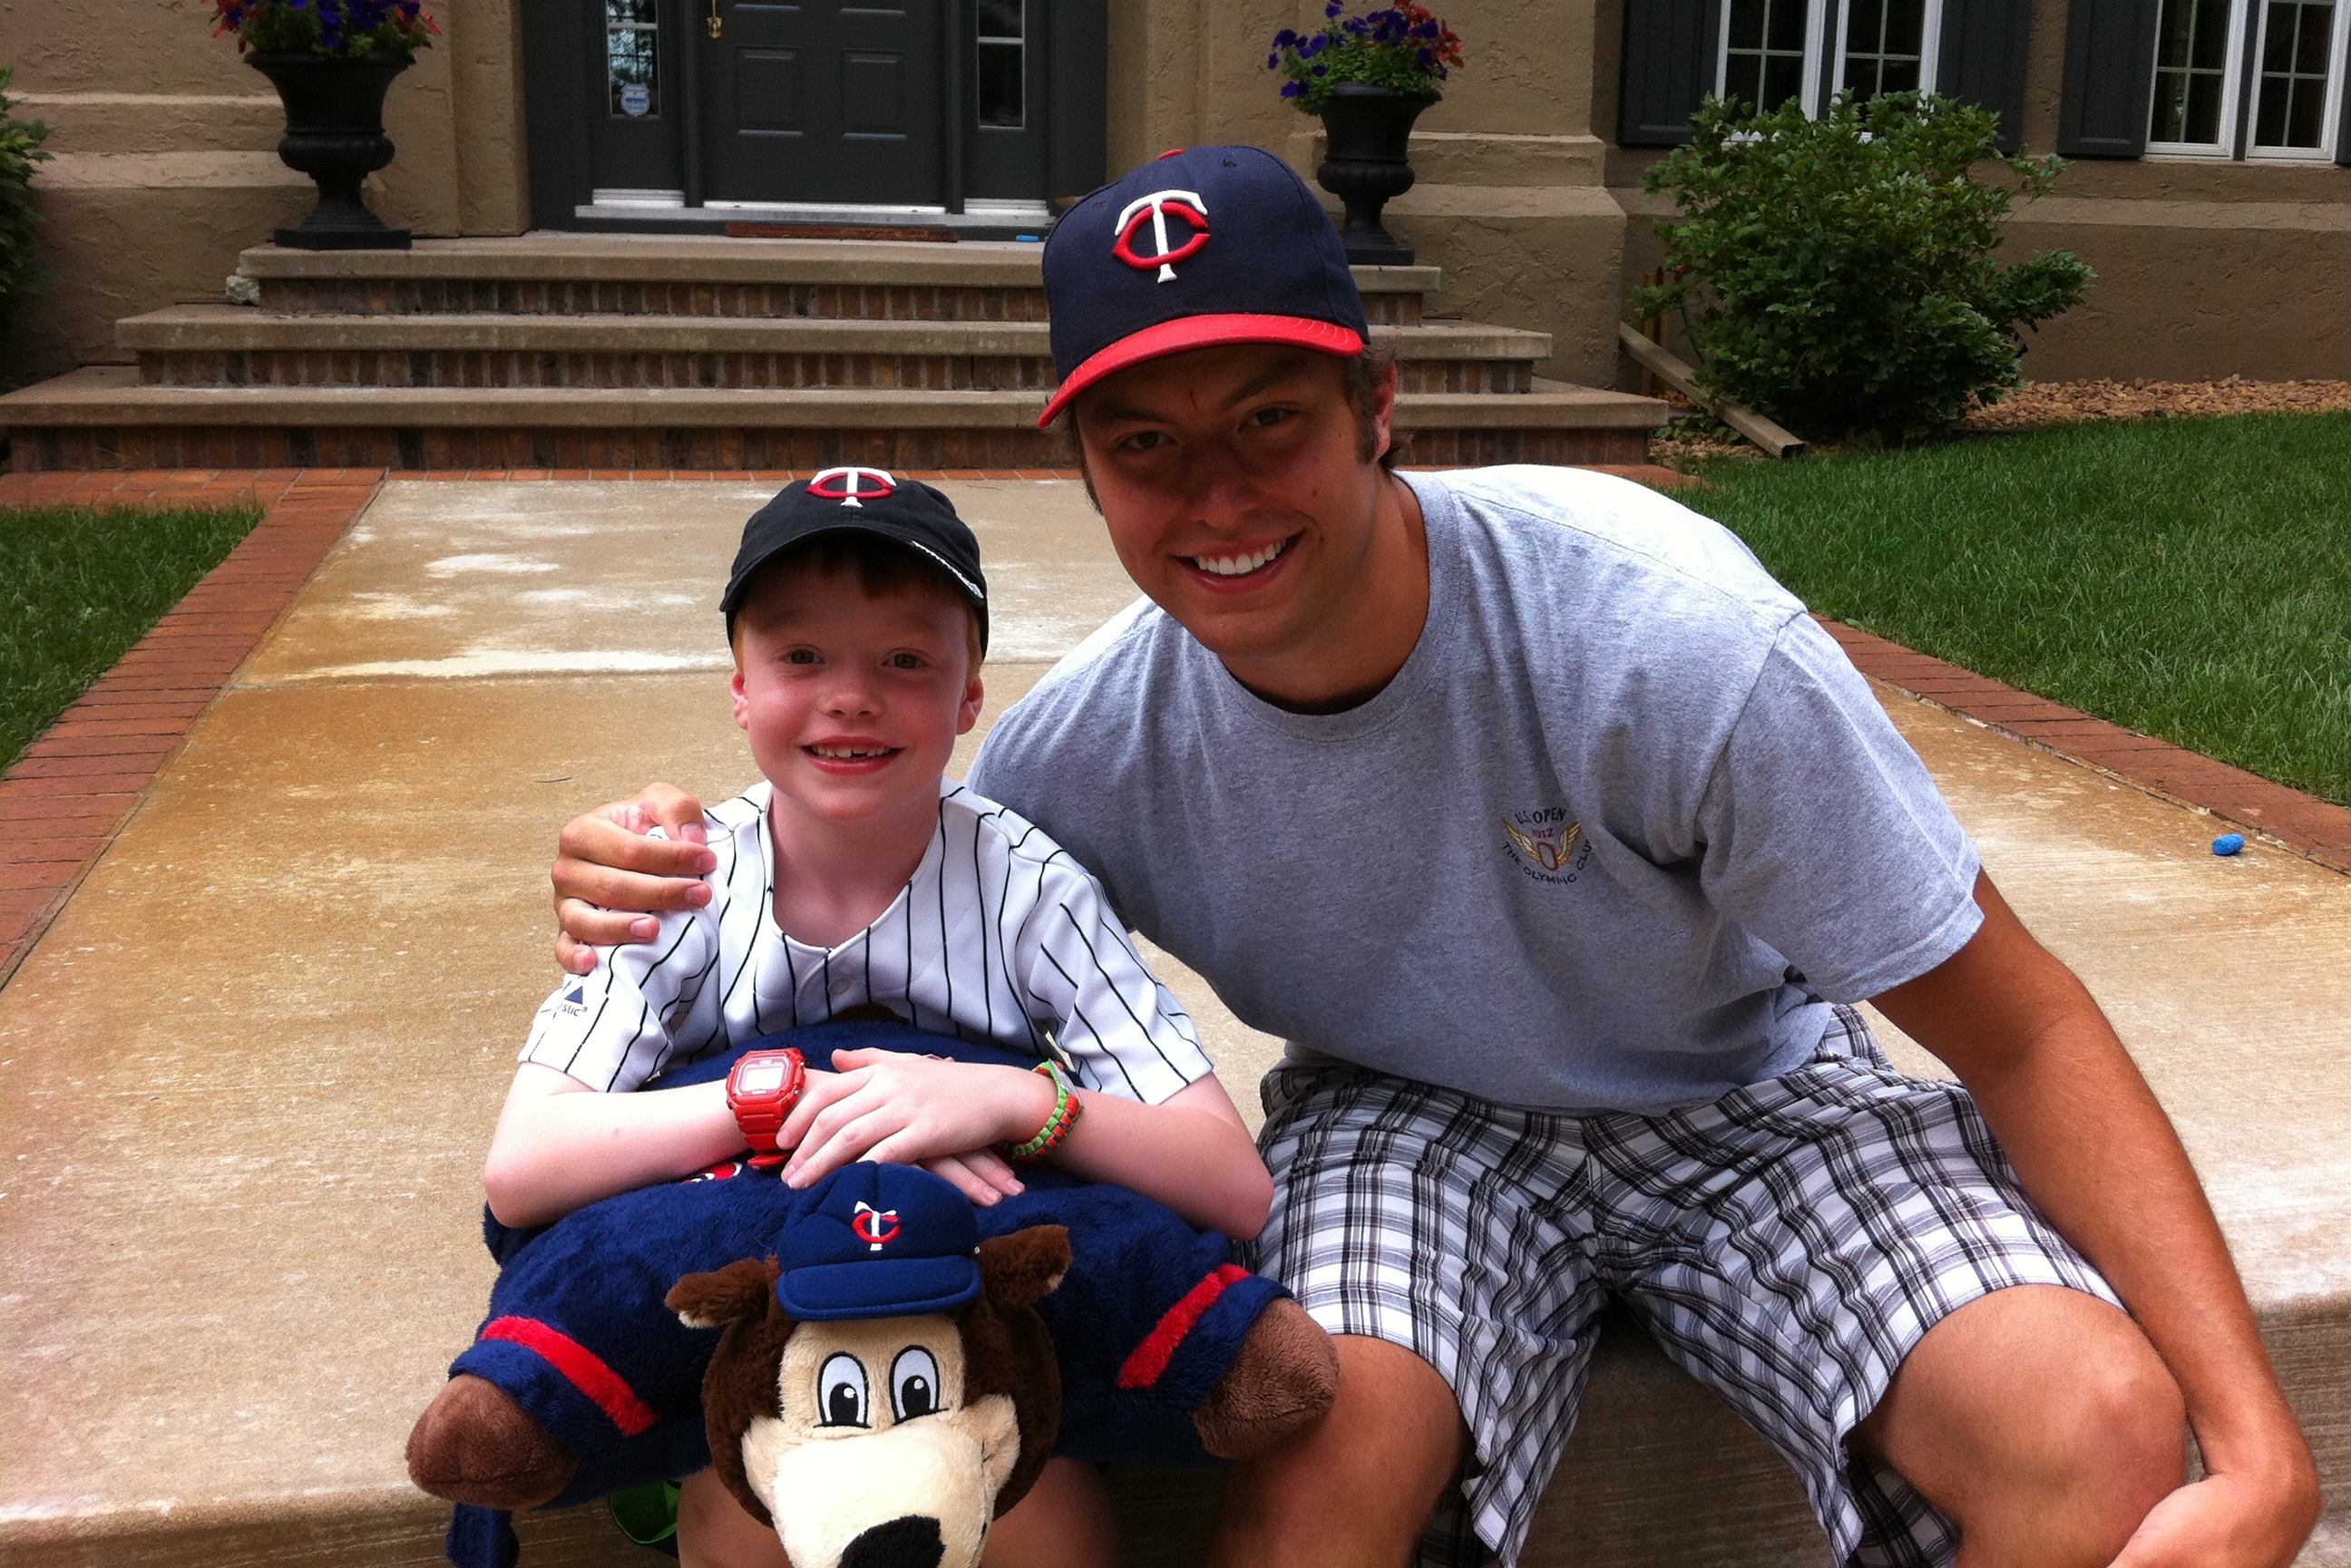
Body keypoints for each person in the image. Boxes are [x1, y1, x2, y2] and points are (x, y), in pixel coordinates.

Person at [545, 148, 2319, 1568]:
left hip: (1760, 1091)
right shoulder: (1098, 753)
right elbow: (870, 934)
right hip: (1409, 1114)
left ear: (1375, 403)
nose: (1219, 494)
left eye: (1271, 422)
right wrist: (661, 869)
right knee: (1321, 1444)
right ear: (1084, 474)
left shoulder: (1667, 638)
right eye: (1147, 447)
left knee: (2091, 1425)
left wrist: (2259, 1455)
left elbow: (2023, 1029)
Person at [490, 472, 1273, 1568]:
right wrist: (794, 1104)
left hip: (966, 1334)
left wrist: (1007, 1098)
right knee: (743, 1503)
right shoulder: (681, 883)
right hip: (767, 1345)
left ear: (968, 698)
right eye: (802, 656)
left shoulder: (1026, 885)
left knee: (1039, 1508)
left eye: (905, 660)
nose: (850, 696)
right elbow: (524, 1165)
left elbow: (1228, 1178)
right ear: (740, 688)